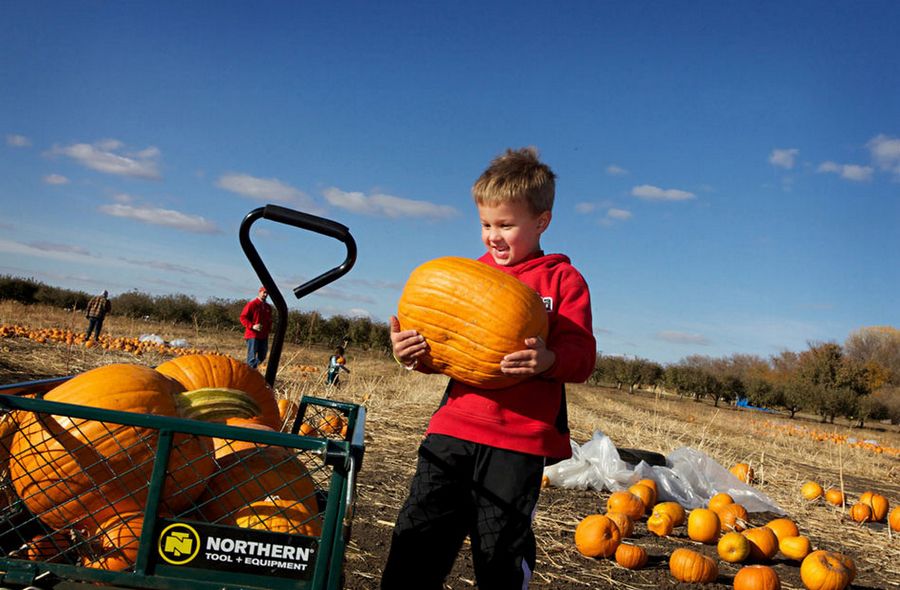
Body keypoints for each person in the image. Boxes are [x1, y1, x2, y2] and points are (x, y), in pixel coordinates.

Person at [381, 147, 596, 588]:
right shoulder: (468, 275)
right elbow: (445, 351)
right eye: (485, 225)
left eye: (506, 225)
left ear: (541, 222)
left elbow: (583, 356)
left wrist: (549, 360)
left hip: (518, 442)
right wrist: (412, 355)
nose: (493, 237)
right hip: (453, 428)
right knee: (418, 535)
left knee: (499, 549)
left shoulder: (562, 281)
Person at [239, 286, 273, 369]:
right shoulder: (252, 304)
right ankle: (249, 374)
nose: (265, 294)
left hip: (263, 336)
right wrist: (252, 326)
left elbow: (269, 320)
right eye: (264, 292)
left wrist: (269, 329)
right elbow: (243, 317)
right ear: (259, 292)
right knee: (251, 357)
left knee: (262, 356)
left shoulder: (268, 307)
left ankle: (250, 370)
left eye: (267, 293)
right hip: (252, 335)